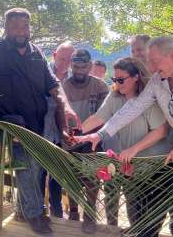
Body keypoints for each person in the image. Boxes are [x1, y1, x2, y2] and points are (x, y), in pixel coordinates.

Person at [76, 36, 173, 237]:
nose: (149, 66)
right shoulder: (158, 79)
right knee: (167, 196)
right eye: (148, 61)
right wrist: (100, 134)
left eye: (154, 61)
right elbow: (134, 107)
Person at [0, 8, 79, 235]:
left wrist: (65, 106)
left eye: (25, 26)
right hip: (11, 124)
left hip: (37, 123)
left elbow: (53, 85)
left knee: (34, 169)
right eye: (15, 27)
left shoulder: (36, 53)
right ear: (6, 28)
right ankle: (34, 214)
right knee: (26, 168)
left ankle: (24, 209)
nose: (20, 31)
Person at [81, 57, 173, 234]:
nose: (116, 83)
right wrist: (77, 134)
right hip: (127, 167)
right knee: (134, 216)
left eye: (121, 80)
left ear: (136, 77)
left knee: (149, 221)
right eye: (114, 79)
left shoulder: (149, 99)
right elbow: (99, 117)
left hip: (153, 169)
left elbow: (161, 131)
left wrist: (134, 149)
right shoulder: (115, 95)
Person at [130, 34, 173, 236]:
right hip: (140, 154)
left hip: (167, 151)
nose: (136, 56)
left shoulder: (165, 77)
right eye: (133, 52)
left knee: (167, 198)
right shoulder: (132, 80)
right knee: (138, 201)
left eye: (140, 51)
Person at [62, 49, 109, 233]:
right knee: (72, 180)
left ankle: (89, 216)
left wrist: (88, 135)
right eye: (76, 66)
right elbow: (59, 113)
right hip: (70, 141)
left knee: (91, 181)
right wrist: (65, 132)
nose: (79, 70)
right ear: (71, 66)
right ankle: (73, 212)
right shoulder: (63, 86)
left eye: (83, 66)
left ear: (90, 66)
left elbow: (104, 116)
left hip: (92, 142)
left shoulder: (100, 86)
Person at [39, 41, 75, 219]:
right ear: (54, 55)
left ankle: (57, 213)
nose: (65, 63)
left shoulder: (72, 79)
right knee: (38, 174)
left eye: (69, 59)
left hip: (61, 136)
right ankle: (39, 211)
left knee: (57, 175)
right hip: (41, 131)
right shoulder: (42, 71)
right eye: (62, 58)